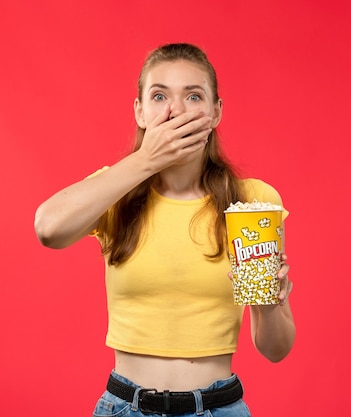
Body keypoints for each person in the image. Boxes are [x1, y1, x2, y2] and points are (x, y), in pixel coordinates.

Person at [34, 43, 295, 417]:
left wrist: (271, 304)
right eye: (159, 96)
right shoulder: (115, 193)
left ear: (216, 112)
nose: (176, 111)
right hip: (126, 408)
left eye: (194, 96)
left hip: (219, 409)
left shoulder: (251, 201)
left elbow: (275, 349)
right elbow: (48, 228)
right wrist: (147, 159)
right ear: (139, 111)